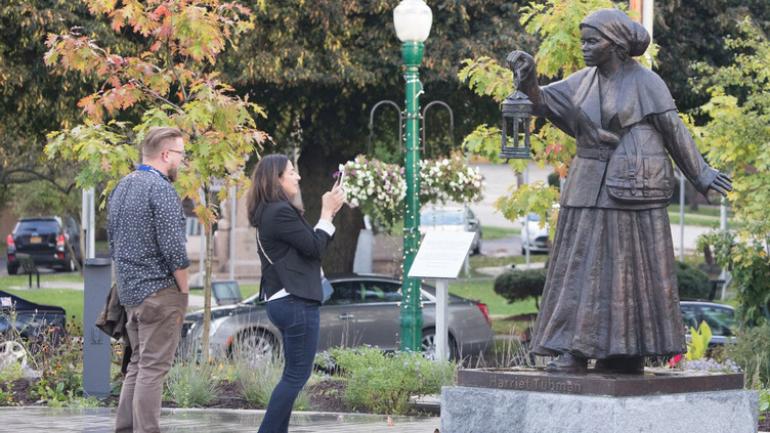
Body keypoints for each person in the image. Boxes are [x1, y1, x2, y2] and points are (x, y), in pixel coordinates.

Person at [507, 8, 732, 374]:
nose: (584, 47)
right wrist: (528, 77)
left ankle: (629, 352)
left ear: (615, 45)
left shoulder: (648, 83)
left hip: (632, 192)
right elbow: (541, 103)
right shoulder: (580, 82)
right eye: (582, 40)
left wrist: (701, 173)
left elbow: (674, 131)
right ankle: (573, 350)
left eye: (592, 41)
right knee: (579, 271)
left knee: (631, 274)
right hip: (585, 190)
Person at [247, 154, 345, 433]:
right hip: (294, 302)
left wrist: (330, 214)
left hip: (287, 301)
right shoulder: (278, 211)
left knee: (293, 376)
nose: (298, 176)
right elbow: (315, 248)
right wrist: (326, 213)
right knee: (295, 376)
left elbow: (310, 245)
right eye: (292, 172)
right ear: (277, 178)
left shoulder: (274, 211)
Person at [109, 127, 190, 432]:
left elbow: (114, 243)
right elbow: (174, 249)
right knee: (153, 369)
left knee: (137, 366)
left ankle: (125, 429)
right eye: (181, 155)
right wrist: (184, 291)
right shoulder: (161, 189)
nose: (182, 162)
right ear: (166, 154)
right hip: (160, 292)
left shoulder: (122, 186)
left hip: (130, 294)